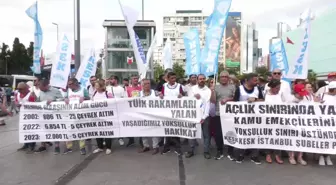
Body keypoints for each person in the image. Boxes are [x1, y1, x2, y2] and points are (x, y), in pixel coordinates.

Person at [233, 73, 264, 164]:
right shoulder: (240, 89)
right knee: (242, 135)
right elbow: (235, 102)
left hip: (255, 118)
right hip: (242, 118)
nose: (256, 82)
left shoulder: (257, 89)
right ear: (248, 80)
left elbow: (263, 100)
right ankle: (240, 154)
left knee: (255, 136)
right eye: (254, 80)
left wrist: (255, 100)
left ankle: (254, 155)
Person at [210, 71, 235, 160]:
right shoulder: (216, 87)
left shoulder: (233, 87)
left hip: (230, 114)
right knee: (218, 134)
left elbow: (236, 99)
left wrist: (228, 99)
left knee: (230, 132)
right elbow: (213, 101)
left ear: (228, 78)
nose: (224, 78)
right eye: (222, 77)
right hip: (218, 114)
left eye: (226, 77)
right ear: (220, 78)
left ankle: (230, 151)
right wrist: (212, 91)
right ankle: (219, 150)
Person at [34, 78, 63, 153]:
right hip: (43, 115)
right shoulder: (41, 91)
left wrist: (54, 101)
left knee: (55, 130)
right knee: (42, 130)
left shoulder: (56, 91)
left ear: (46, 85)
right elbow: (38, 100)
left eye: (42, 88)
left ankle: (57, 146)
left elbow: (62, 100)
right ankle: (43, 145)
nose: (41, 90)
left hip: (54, 115)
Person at [185, 74, 211, 158]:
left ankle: (206, 151)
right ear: (197, 80)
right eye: (200, 79)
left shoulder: (208, 90)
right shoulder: (192, 89)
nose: (202, 80)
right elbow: (189, 101)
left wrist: (204, 117)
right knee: (192, 133)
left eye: (203, 79)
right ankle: (191, 150)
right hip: (194, 116)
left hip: (204, 116)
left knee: (206, 134)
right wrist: (193, 97)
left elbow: (207, 104)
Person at [159, 72, 184, 155]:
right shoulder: (164, 86)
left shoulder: (179, 86)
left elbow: (184, 96)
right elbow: (161, 94)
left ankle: (178, 148)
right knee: (168, 130)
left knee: (176, 130)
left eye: (175, 78)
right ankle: (166, 147)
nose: (174, 79)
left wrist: (181, 95)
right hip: (167, 111)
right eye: (172, 78)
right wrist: (161, 95)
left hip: (177, 111)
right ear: (168, 79)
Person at [64, 78, 90, 155]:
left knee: (81, 131)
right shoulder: (68, 91)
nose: (68, 86)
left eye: (70, 84)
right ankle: (69, 147)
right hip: (70, 115)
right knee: (69, 130)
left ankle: (82, 147)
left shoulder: (83, 90)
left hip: (80, 114)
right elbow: (65, 97)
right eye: (68, 84)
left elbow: (89, 98)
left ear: (75, 83)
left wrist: (84, 98)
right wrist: (65, 99)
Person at [287, 84, 311, 165]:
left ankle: (300, 157)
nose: (302, 96)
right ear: (295, 93)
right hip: (292, 124)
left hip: (302, 124)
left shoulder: (306, 100)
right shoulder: (289, 100)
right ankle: (291, 156)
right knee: (292, 140)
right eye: (300, 94)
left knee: (301, 140)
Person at [263, 79, 285, 164]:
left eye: (279, 88)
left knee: (278, 137)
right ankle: (268, 154)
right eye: (276, 88)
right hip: (268, 120)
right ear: (271, 88)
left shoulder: (280, 94)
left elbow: (286, 103)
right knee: (268, 137)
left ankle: (277, 155)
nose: (278, 89)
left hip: (279, 120)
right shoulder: (266, 94)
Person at [92, 79, 114, 155]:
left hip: (106, 116)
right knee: (98, 132)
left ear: (102, 86)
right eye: (95, 86)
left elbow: (113, 103)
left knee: (107, 132)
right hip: (97, 117)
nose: (96, 87)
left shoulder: (108, 94)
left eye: (97, 86)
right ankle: (100, 147)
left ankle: (108, 147)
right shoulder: (94, 93)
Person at [138, 79, 160, 155]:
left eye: (149, 83)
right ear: (142, 85)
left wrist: (161, 96)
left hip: (153, 115)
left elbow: (163, 98)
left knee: (154, 132)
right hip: (143, 115)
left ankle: (155, 147)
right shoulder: (138, 94)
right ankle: (146, 146)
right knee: (143, 131)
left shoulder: (155, 93)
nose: (147, 85)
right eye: (145, 84)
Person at [317, 81, 336, 166]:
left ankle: (327, 156)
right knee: (323, 139)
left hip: (333, 122)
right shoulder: (322, 95)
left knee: (330, 139)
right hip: (323, 122)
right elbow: (314, 106)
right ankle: (321, 156)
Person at [15, 82, 36, 153]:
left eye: (21, 89)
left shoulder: (31, 94)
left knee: (31, 131)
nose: (19, 91)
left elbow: (33, 105)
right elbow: (16, 101)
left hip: (31, 116)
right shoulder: (18, 94)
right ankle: (26, 144)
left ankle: (32, 145)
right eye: (18, 89)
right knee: (24, 130)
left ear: (26, 88)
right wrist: (17, 104)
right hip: (23, 116)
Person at [107, 75, 126, 146]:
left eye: (112, 79)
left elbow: (124, 97)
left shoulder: (121, 88)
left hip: (119, 108)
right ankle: (108, 139)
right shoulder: (107, 88)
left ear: (116, 80)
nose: (110, 80)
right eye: (110, 79)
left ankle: (120, 137)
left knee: (118, 123)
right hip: (109, 108)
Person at [125, 75, 142, 147]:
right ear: (131, 80)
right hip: (131, 109)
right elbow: (125, 99)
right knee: (131, 125)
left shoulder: (141, 87)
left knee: (141, 125)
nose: (136, 80)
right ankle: (131, 140)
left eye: (137, 78)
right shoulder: (127, 89)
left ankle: (141, 140)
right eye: (134, 79)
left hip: (140, 109)